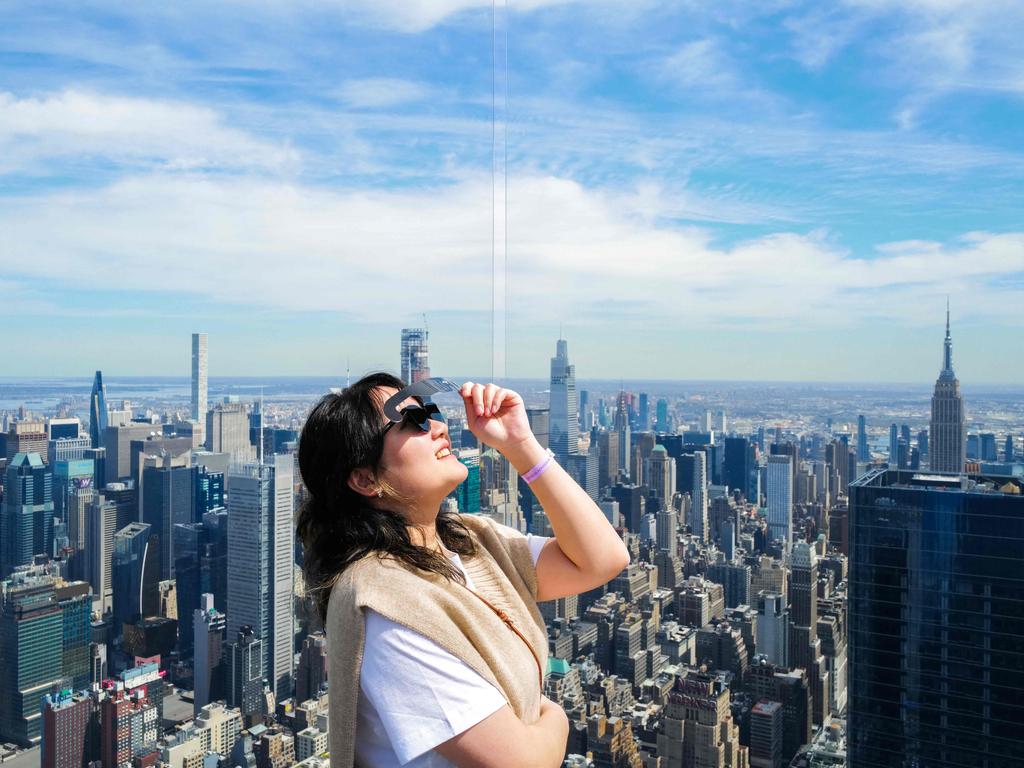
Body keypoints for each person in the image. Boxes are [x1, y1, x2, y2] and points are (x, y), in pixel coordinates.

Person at [296, 373, 630, 767]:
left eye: (431, 411)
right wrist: (554, 716)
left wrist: (522, 446)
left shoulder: (470, 542)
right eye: (414, 421)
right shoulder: (385, 605)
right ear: (366, 479)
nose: (438, 426)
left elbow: (603, 559)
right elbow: (524, 763)